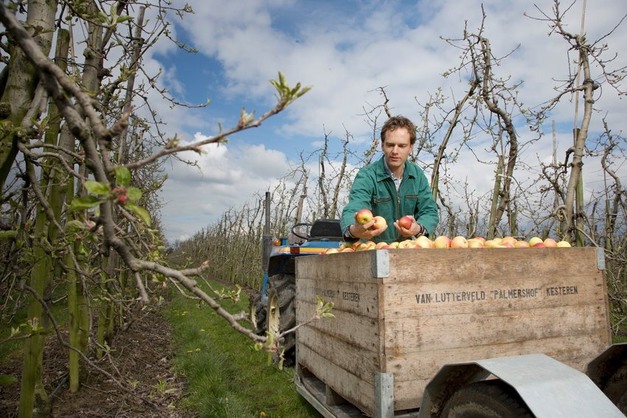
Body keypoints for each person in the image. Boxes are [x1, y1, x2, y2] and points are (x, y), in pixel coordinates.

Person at [340, 115, 439, 243]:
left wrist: (419, 229)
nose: (395, 151)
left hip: (405, 250)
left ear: (411, 147)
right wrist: (353, 230)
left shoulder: (417, 175)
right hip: (371, 249)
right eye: (390, 145)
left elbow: (429, 210)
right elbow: (355, 206)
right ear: (382, 146)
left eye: (402, 146)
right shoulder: (367, 175)